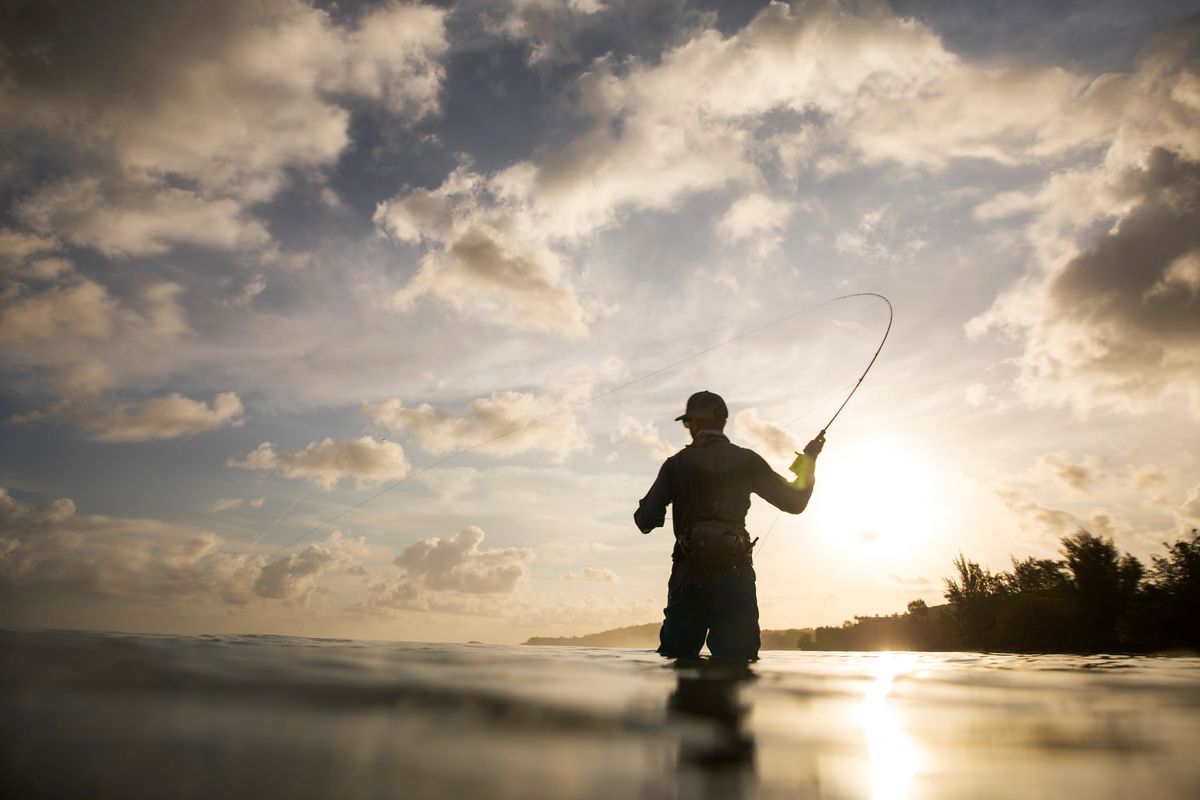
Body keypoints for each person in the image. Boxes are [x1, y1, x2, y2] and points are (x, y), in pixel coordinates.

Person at [634, 390, 823, 661]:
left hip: (689, 579)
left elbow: (645, 521)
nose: (689, 428)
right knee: (738, 666)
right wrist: (809, 460)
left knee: (677, 661)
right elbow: (794, 503)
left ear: (695, 424)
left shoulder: (675, 465)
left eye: (688, 423)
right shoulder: (747, 460)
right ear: (722, 422)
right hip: (736, 577)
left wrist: (650, 506)